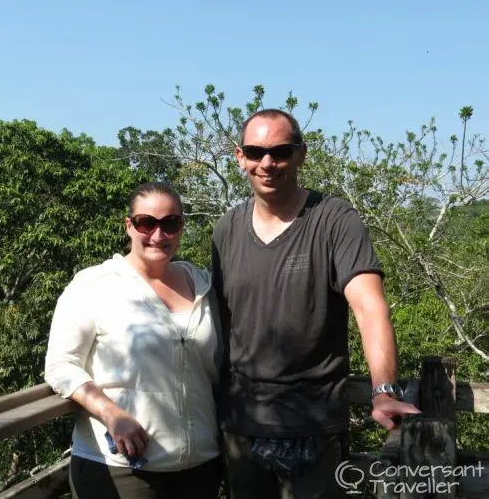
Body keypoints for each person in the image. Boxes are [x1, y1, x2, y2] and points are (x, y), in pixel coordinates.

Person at [211, 109, 420, 499]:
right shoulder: (228, 229)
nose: (267, 163)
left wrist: (384, 389)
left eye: (280, 151)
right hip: (241, 425)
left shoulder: (335, 221)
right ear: (240, 157)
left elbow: (369, 306)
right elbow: (222, 324)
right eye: (255, 152)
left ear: (301, 154)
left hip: (314, 425)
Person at [44, 181, 224, 499]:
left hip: (200, 466)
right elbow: (61, 365)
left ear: (181, 227)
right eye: (146, 223)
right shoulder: (94, 284)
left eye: (170, 223)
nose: (158, 234)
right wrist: (112, 414)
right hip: (122, 468)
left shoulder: (202, 285)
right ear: (129, 226)